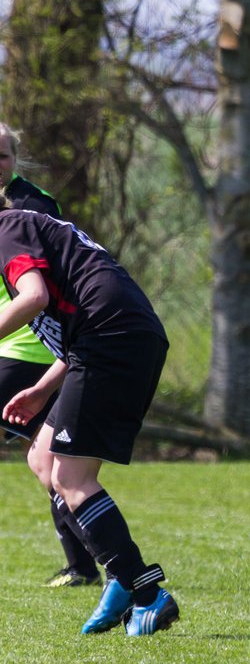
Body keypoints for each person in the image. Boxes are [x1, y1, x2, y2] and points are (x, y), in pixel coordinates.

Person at [0, 199, 178, 636]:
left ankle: (145, 592)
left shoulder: (6, 229)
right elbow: (79, 307)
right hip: (113, 339)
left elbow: (34, 296)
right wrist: (44, 388)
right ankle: (119, 574)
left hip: (112, 341)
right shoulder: (23, 224)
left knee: (71, 476)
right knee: (43, 458)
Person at [0, 123, 100, 588]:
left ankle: (89, 562)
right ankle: (83, 563)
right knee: (45, 460)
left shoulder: (27, 207)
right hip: (19, 344)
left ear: (15, 159)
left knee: (51, 460)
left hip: (25, 345)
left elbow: (35, 290)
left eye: (1, 155)